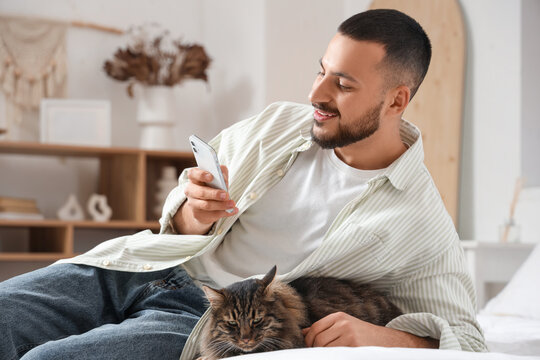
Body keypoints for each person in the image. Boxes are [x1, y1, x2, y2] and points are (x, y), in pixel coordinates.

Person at [0, 9, 487, 360]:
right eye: (321, 72)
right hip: (143, 265)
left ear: (397, 100)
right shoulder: (279, 124)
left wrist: (386, 338)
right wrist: (195, 208)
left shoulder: (416, 215)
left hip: (203, 321)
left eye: (343, 84)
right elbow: (182, 219)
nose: (316, 94)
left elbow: (466, 336)